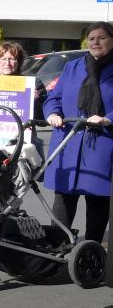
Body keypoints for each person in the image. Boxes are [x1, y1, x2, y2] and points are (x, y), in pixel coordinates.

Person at [43, 21, 113, 243]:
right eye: (91, 38)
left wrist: (107, 118)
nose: (95, 42)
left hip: (102, 144)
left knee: (97, 202)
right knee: (63, 198)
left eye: (101, 37)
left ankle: (91, 252)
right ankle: (57, 246)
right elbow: (54, 97)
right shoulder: (73, 67)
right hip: (68, 141)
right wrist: (52, 113)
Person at [0, 42, 47, 214]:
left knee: (12, 190)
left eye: (12, 59)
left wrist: (36, 101)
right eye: (2, 58)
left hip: (19, 149)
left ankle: (5, 226)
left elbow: (43, 119)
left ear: (19, 62)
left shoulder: (33, 83)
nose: (7, 63)